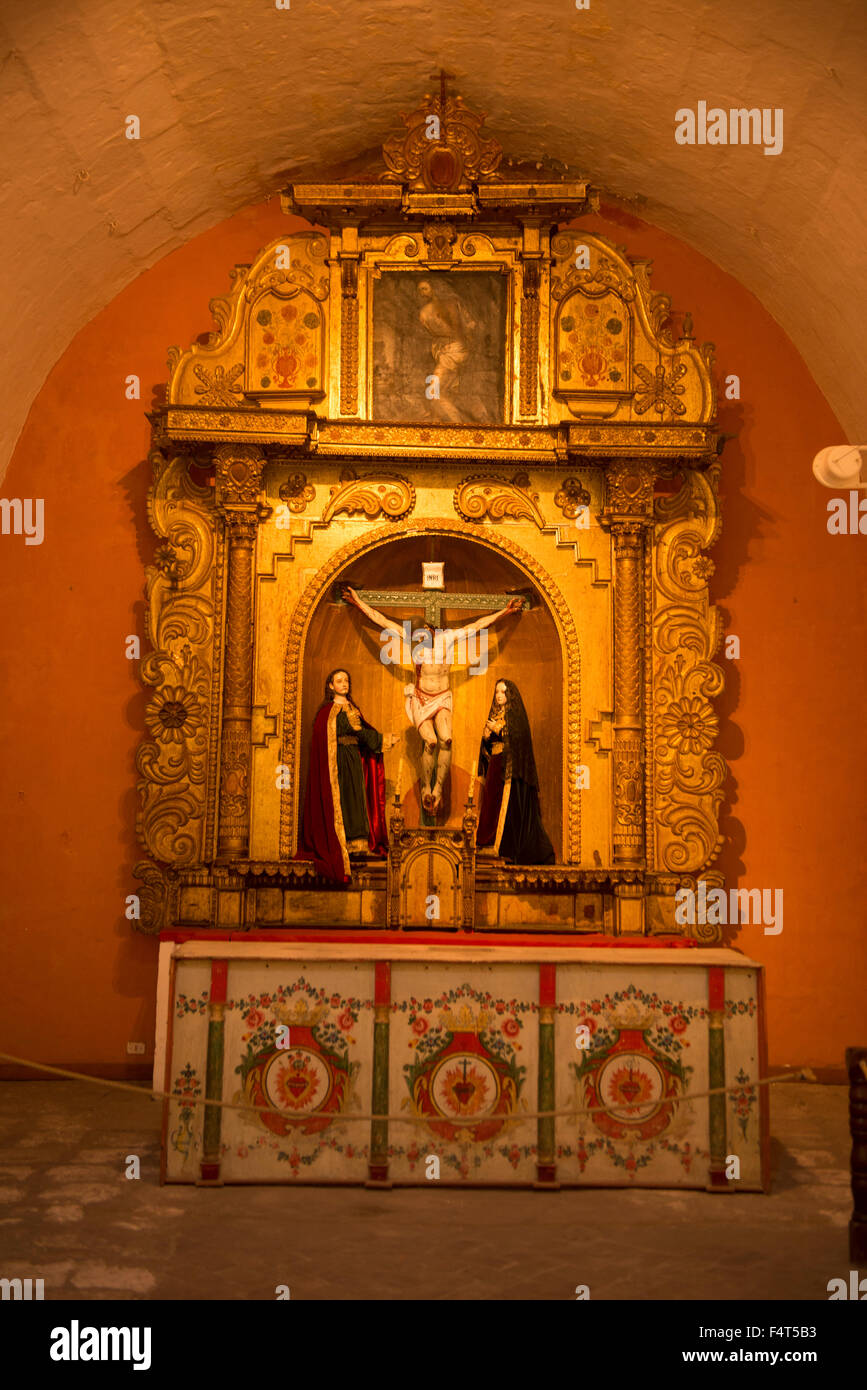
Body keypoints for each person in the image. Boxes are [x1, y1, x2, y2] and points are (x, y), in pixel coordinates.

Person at [343, 586, 523, 814]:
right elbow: (382, 621)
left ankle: (437, 789)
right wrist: (358, 602)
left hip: (442, 697)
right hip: (420, 698)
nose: (418, 644)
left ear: (429, 631)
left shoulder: (447, 638)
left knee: (446, 739)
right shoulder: (411, 636)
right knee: (430, 742)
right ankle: (426, 787)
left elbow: (476, 626)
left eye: (421, 639)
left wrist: (504, 612)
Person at [297, 668, 397, 884]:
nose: (344, 684)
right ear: (331, 685)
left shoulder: (353, 708)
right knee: (341, 801)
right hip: (337, 762)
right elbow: (328, 735)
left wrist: (382, 739)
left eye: (346, 680)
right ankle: (341, 846)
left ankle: (357, 846)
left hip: (354, 760)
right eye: (339, 681)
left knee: (356, 800)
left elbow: (362, 732)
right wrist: (368, 734)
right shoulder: (327, 712)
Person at [476, 678, 555, 865]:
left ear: (509, 694)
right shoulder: (494, 715)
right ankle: (486, 844)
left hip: (508, 768)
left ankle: (503, 847)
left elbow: (519, 740)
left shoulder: (514, 716)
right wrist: (487, 737)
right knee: (490, 803)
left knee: (505, 805)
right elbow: (487, 749)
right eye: (497, 692)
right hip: (495, 766)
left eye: (503, 692)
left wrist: (501, 731)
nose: (499, 696)